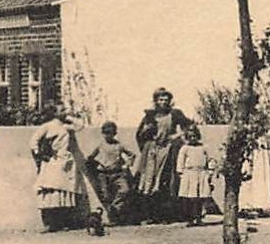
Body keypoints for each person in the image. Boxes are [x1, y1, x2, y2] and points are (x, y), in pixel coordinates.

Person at [135, 87, 192, 220]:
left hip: (168, 150)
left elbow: (189, 126)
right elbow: (139, 135)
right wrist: (147, 132)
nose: (164, 102)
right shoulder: (149, 116)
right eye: (161, 99)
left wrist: (177, 136)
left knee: (165, 181)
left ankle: (166, 216)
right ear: (156, 101)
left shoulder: (175, 113)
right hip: (152, 152)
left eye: (166, 100)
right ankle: (148, 216)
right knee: (147, 182)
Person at [29, 112, 82, 231]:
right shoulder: (47, 126)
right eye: (60, 109)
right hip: (52, 161)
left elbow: (80, 126)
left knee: (65, 191)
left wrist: (69, 117)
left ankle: (63, 223)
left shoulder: (65, 126)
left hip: (66, 162)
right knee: (51, 190)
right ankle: (51, 223)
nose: (63, 112)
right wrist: (40, 154)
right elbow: (34, 140)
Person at [86, 121, 135, 225]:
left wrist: (126, 165)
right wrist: (95, 166)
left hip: (117, 173)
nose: (108, 135)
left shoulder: (119, 145)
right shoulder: (100, 145)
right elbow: (89, 158)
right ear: (103, 133)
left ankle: (115, 207)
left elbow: (132, 155)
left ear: (115, 133)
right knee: (105, 196)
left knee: (125, 190)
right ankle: (112, 219)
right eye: (106, 133)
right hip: (103, 174)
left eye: (111, 133)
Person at [175, 125, 215, 226]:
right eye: (191, 136)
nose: (193, 138)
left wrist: (210, 171)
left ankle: (199, 218)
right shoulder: (185, 148)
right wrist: (181, 174)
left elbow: (211, 159)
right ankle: (190, 219)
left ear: (198, 136)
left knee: (200, 198)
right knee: (189, 198)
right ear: (188, 137)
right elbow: (180, 162)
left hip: (201, 173)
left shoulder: (204, 147)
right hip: (189, 174)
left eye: (195, 136)